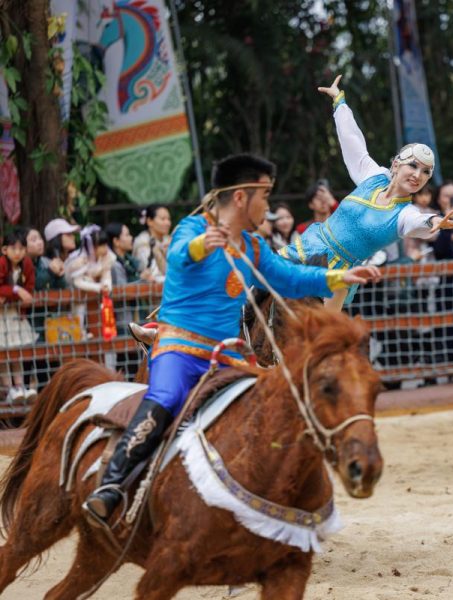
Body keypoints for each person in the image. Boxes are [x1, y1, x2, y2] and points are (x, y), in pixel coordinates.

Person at [82, 153, 381, 527]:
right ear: (241, 197)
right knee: (167, 397)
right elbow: (180, 255)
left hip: (227, 357)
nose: (268, 207)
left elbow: (289, 277)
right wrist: (202, 246)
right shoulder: (192, 229)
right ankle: (110, 486)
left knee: (264, 408)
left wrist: (338, 278)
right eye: (264, 197)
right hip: (179, 349)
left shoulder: (252, 247)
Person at [278, 75, 453, 311]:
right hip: (310, 245)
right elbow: (352, 141)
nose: (418, 175)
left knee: (320, 331)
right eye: (413, 166)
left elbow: (419, 221)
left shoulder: (404, 213)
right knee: (255, 287)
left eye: (426, 172)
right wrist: (339, 102)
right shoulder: (373, 176)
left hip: (340, 275)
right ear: (396, 164)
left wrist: (436, 221)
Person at [0, 229, 37, 401]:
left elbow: (29, 288)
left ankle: (20, 386)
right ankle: (9, 390)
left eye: (21, 249)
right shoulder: (2, 263)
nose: (17, 252)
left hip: (15, 314)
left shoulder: (26, 264)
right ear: (4, 249)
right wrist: (16, 290)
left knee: (16, 351)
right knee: (3, 351)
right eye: (13, 248)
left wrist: (20, 299)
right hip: (2, 316)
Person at [133, 203, 172, 283]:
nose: (168, 223)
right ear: (150, 221)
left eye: (168, 219)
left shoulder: (168, 240)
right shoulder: (142, 242)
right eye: (163, 219)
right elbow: (153, 273)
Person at [24, 227, 67, 291]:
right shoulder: (18, 264)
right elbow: (32, 285)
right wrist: (50, 272)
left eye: (40, 238)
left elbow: (61, 289)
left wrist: (59, 277)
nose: (40, 242)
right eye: (34, 240)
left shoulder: (46, 262)